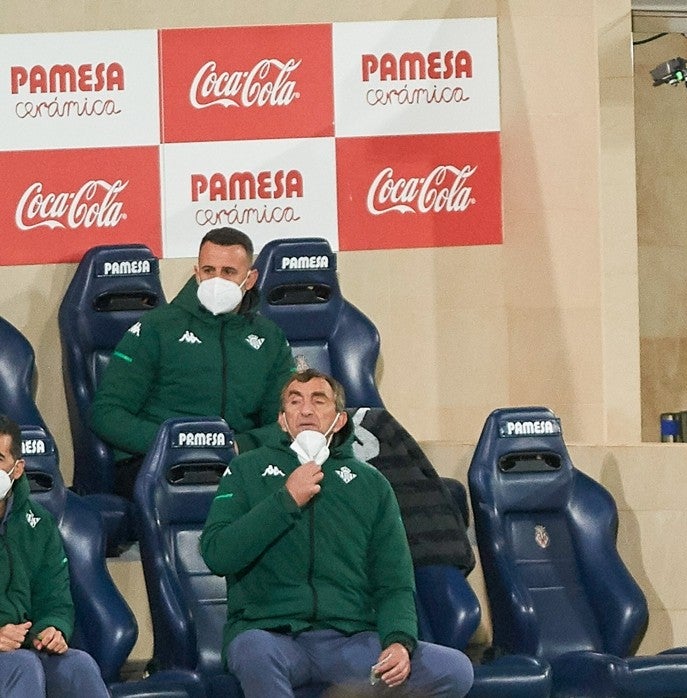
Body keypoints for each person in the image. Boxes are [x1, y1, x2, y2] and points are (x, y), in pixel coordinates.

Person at [200, 369, 473, 698]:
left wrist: (398, 642)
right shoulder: (245, 470)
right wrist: (285, 501)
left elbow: (394, 583)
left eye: (319, 400)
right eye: (294, 401)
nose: (306, 410)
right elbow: (217, 552)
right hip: (272, 636)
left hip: (352, 639)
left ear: (340, 420)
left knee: (454, 670)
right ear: (282, 420)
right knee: (253, 652)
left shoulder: (371, 483)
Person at [91, 226, 295, 498]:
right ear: (196, 273)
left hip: (238, 461)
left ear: (250, 279)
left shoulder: (270, 338)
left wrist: (238, 445)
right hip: (160, 462)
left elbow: (284, 422)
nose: (217, 281)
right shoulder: (155, 328)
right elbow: (106, 414)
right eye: (209, 270)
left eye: (229, 272)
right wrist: (177, 442)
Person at [0, 415, 110, 697]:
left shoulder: (39, 524)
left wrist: (52, 629)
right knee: (23, 666)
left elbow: (56, 598)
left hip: (22, 651)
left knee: (79, 666)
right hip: (14, 660)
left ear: (17, 468)